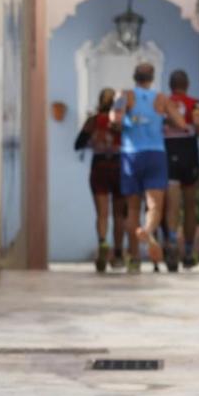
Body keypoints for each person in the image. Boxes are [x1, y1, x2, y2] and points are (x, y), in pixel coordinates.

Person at [119, 61, 172, 273]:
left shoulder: (125, 96)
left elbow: (116, 117)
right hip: (155, 153)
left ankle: (133, 257)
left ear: (135, 77)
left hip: (131, 155)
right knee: (154, 205)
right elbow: (181, 122)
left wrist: (127, 122)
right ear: (151, 78)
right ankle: (147, 230)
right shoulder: (160, 99)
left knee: (132, 208)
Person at [73, 87, 125, 272]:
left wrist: (94, 141)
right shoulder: (121, 121)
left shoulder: (93, 121)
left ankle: (103, 243)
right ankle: (118, 254)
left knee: (102, 213)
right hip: (119, 167)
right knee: (120, 214)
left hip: (99, 167)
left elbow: (78, 144)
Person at [163, 69, 199, 270]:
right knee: (190, 204)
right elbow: (198, 123)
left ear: (170, 85)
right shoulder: (194, 104)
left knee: (172, 204)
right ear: (187, 84)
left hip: (168, 154)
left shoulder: (164, 104)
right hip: (188, 153)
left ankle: (173, 243)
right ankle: (189, 251)